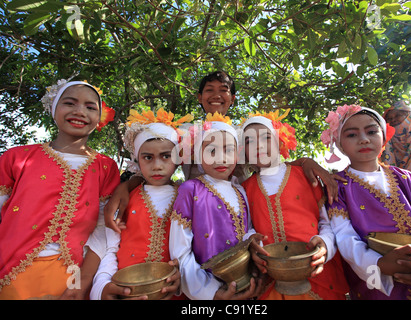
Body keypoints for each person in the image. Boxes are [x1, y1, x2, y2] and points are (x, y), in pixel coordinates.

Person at [104, 71, 342, 232]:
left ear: (233, 98)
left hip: (244, 211)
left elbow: (271, 161)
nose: (216, 94)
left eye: (224, 89)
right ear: (199, 97)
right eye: (209, 89)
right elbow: (155, 162)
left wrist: (306, 161)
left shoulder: (243, 134)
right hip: (196, 212)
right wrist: (126, 186)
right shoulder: (185, 134)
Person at [0, 79, 120, 299]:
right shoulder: (16, 158)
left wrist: (83, 282)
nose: (80, 111)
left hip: (72, 279)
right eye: (70, 103)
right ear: (53, 108)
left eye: (90, 107)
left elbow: (104, 228)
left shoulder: (105, 167)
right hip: (10, 273)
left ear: (99, 118)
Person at [321, 104, 411, 299]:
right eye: (352, 135)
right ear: (339, 144)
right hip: (379, 282)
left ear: (383, 138)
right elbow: (345, 237)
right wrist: (378, 264)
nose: (364, 139)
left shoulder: (405, 178)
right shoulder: (337, 185)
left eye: (372, 131)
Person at [240, 109, 349, 300]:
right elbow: (247, 228)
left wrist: (325, 245)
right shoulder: (244, 189)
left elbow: (326, 222)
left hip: (317, 274)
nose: (258, 145)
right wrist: (251, 241)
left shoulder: (305, 175)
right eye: (249, 141)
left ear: (280, 140)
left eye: (266, 137)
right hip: (272, 280)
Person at [90, 108, 191, 300]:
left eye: (166, 156)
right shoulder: (124, 198)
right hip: (127, 292)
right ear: (137, 159)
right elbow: (110, 248)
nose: (157, 166)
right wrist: (103, 286)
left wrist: (185, 280)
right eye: (148, 158)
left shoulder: (189, 197)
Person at [169, 112, 263, 300]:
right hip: (209, 291)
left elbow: (247, 230)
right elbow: (181, 252)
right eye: (211, 151)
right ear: (198, 154)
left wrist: (254, 240)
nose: (220, 158)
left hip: (246, 285)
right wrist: (211, 292)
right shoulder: (190, 190)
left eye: (228, 150)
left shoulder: (240, 190)